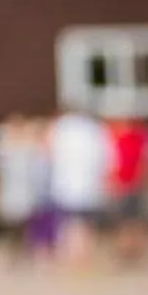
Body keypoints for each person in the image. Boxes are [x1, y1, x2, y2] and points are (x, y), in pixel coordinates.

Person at [45, 108, 110, 268]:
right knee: (84, 222)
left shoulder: (61, 128)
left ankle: (74, 255)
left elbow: (49, 152)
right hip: (89, 184)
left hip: (67, 184)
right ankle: (83, 254)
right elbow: (106, 156)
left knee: (71, 222)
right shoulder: (93, 129)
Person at [0, 116, 52, 265]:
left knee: (27, 222)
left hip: (26, 190)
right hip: (15, 189)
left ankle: (29, 251)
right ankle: (20, 252)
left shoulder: (26, 147)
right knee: (16, 223)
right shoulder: (6, 148)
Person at [101, 116, 148, 265]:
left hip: (130, 184)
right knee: (128, 221)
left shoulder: (128, 138)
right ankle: (128, 250)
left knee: (130, 221)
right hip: (127, 184)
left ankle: (132, 250)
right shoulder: (136, 138)